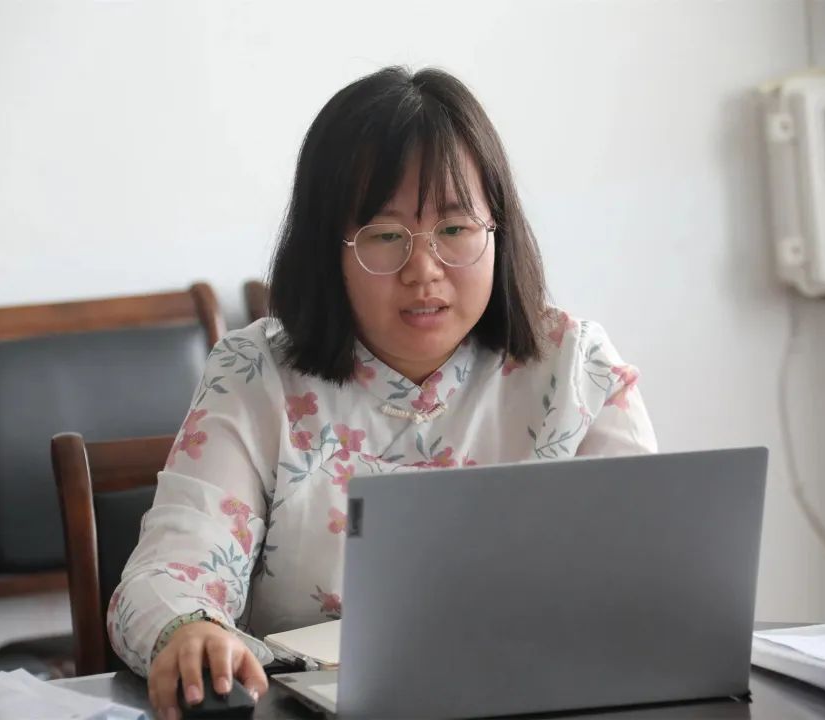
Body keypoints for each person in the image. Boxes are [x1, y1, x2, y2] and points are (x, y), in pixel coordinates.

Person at [109, 66, 657, 720]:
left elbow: (652, 576)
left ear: (498, 230)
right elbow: (168, 576)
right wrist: (190, 630)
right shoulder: (255, 375)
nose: (423, 270)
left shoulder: (575, 369)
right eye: (386, 236)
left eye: (454, 229)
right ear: (329, 250)